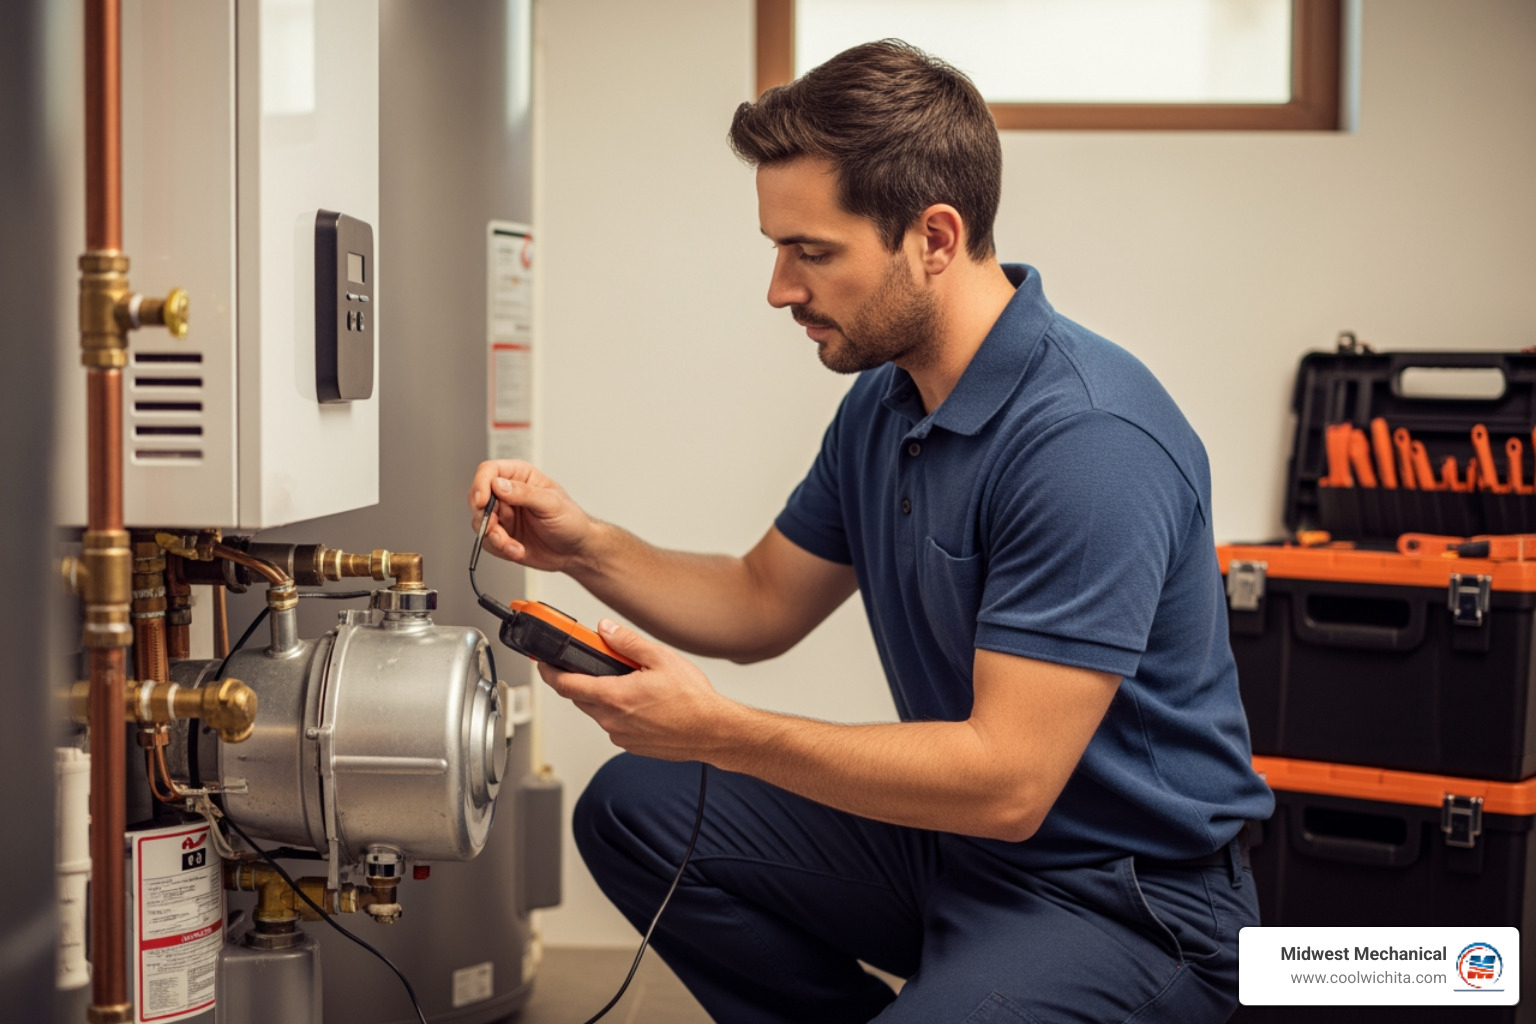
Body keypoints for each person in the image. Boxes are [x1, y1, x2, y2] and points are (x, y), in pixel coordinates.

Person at [468, 39, 1273, 1024]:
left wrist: (722, 729)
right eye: (776, 248)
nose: (779, 288)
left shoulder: (1088, 440)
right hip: (960, 852)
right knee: (636, 811)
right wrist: (583, 545)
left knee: (719, 770)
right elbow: (761, 599)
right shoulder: (886, 405)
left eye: (811, 252)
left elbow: (1010, 784)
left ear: (934, 236)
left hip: (1128, 898)